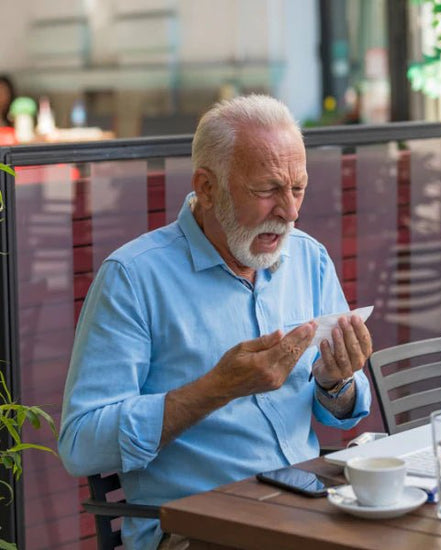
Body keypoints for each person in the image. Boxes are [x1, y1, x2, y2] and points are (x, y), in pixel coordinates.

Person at [59, 94, 373, 550]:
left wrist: (335, 382)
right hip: (201, 531)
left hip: (309, 509)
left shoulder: (309, 257)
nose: (290, 211)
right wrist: (215, 389)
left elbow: (342, 410)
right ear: (207, 188)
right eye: (267, 190)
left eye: (298, 188)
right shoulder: (133, 278)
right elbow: (79, 444)